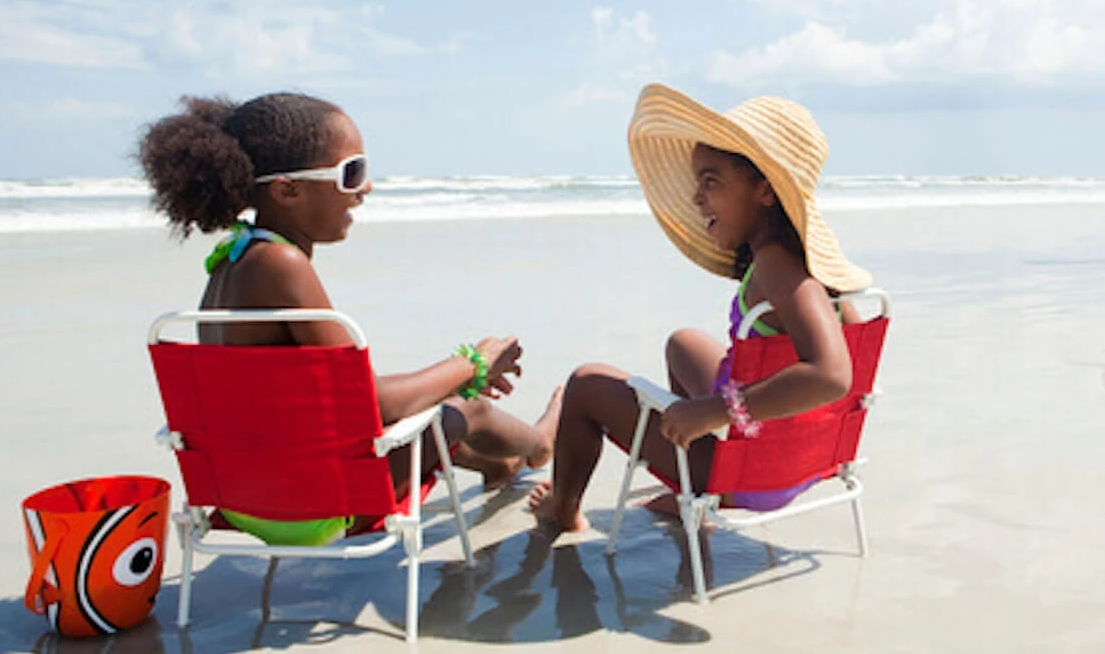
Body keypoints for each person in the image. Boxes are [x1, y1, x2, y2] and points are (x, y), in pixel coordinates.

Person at [138, 92, 561, 540]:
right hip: (317, 509)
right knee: (467, 409)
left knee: (422, 405)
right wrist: (472, 364)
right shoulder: (282, 265)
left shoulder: (231, 261)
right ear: (287, 190)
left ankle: (500, 464)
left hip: (240, 502)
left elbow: (329, 401)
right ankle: (540, 448)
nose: (366, 187)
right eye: (351, 172)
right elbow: (370, 405)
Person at [530, 84, 873, 533]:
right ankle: (686, 492)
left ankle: (563, 510)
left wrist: (715, 412)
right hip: (808, 459)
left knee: (585, 383)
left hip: (755, 474)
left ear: (765, 191)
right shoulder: (813, 271)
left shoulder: (777, 269)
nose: (696, 199)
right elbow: (855, 358)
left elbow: (833, 376)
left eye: (711, 183)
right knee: (683, 344)